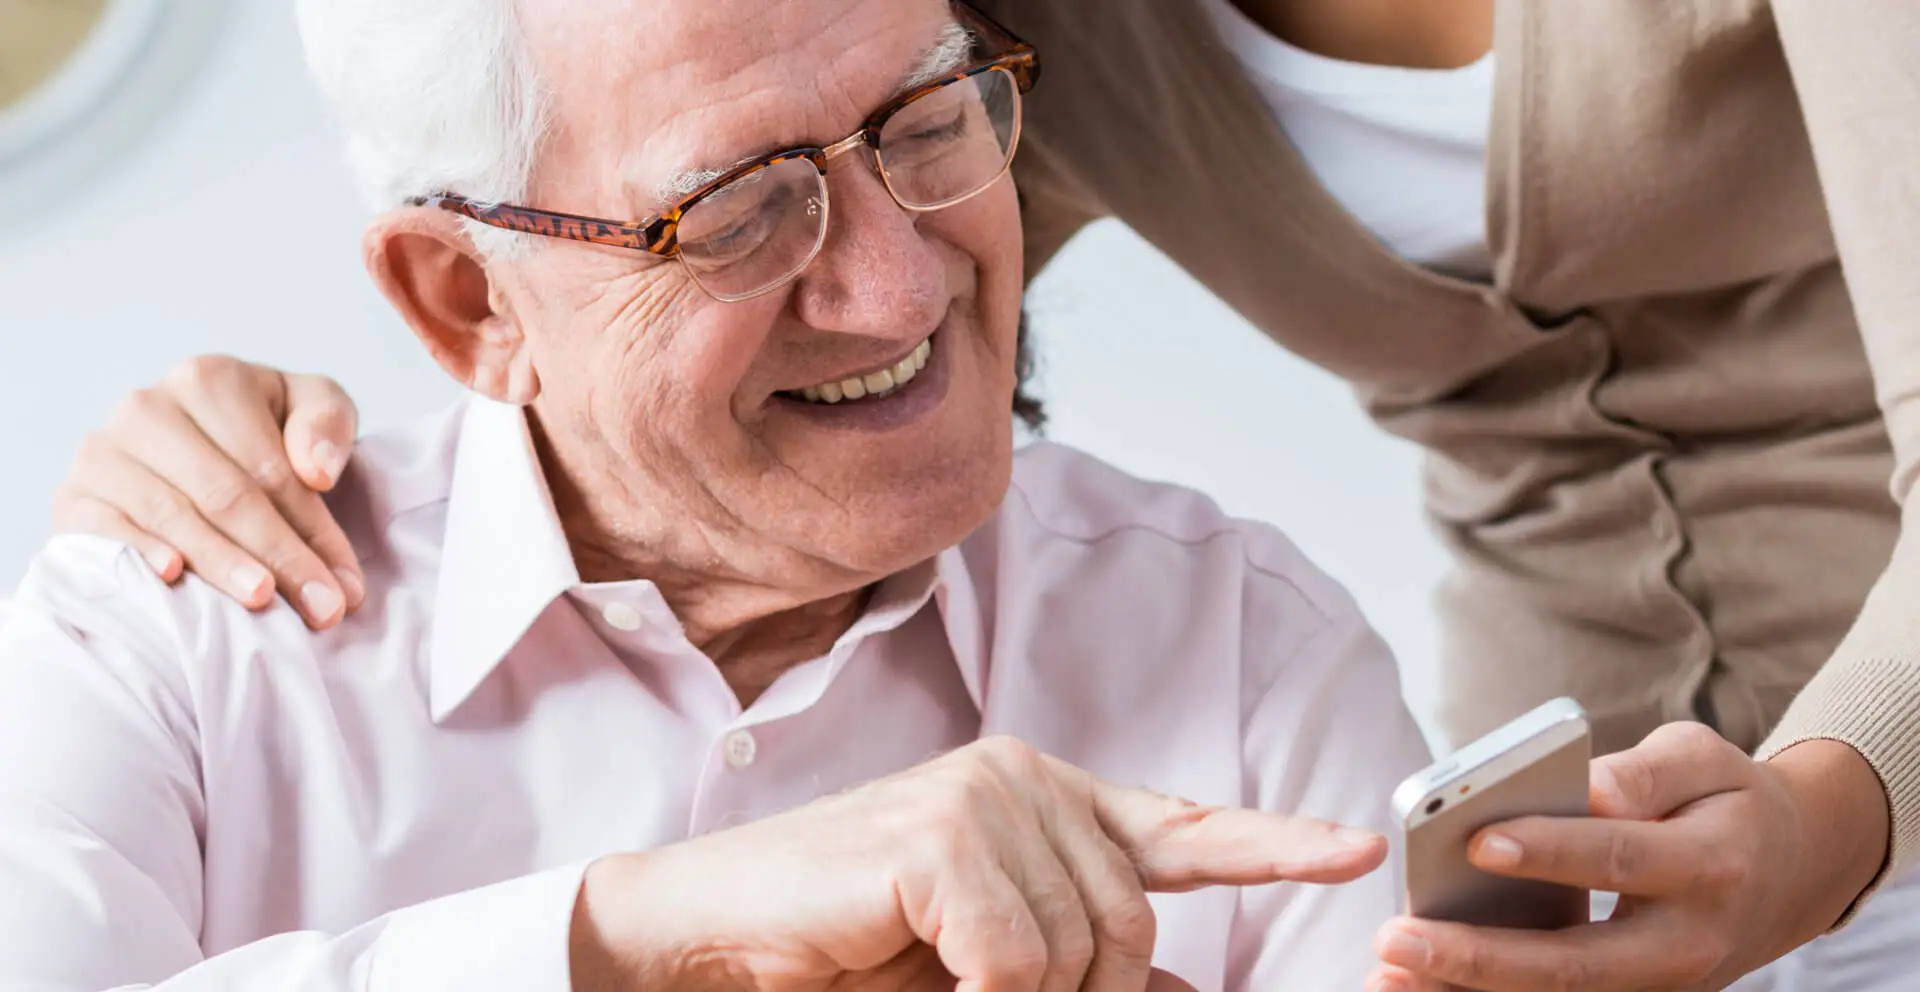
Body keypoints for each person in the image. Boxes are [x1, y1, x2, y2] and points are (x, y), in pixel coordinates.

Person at [49, 0, 1920, 989]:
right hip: (1594, 748)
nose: (896, 271)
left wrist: (1835, 832)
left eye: (930, 125)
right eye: (748, 208)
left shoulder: (1242, 661)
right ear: (456, 299)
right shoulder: (179, 641)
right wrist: (632, 935)